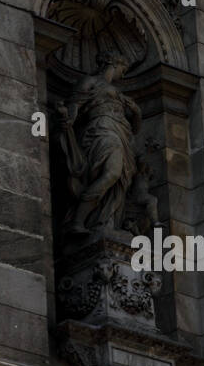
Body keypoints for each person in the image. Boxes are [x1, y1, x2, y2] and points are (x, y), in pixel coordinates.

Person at [57, 52, 141, 235]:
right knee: (112, 173)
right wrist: (67, 118)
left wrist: (136, 112)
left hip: (121, 135)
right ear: (113, 62)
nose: (124, 75)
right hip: (101, 130)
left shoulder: (119, 94)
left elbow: (136, 128)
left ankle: (103, 221)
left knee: (118, 179)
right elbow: (74, 105)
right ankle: (78, 219)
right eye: (123, 69)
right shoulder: (91, 82)